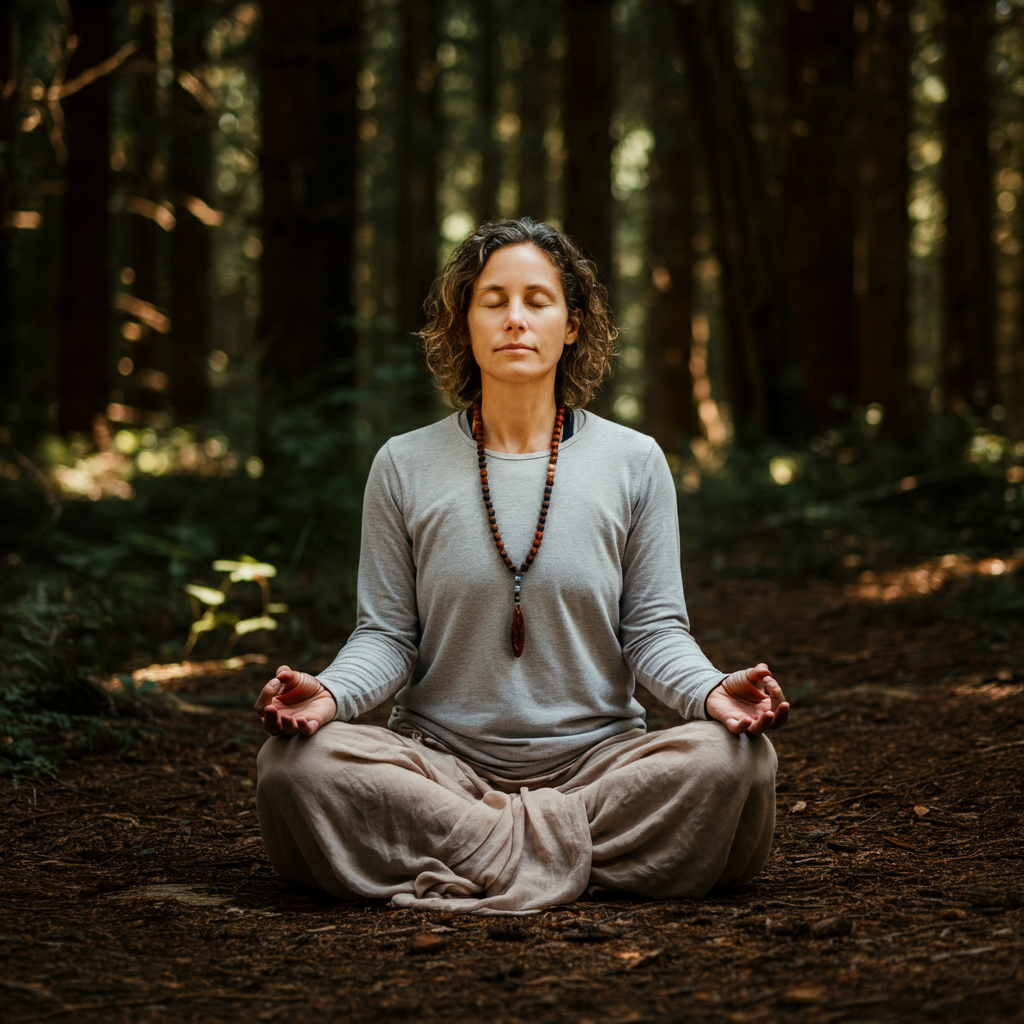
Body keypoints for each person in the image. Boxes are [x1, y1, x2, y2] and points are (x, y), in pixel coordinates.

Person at [254, 218, 789, 914]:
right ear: (463, 323)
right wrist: (329, 694)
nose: (515, 318)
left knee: (736, 761)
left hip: (598, 765)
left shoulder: (634, 462)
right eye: (492, 299)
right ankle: (567, 858)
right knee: (294, 768)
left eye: (538, 299)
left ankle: (475, 852)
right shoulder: (402, 464)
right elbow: (386, 635)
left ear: (572, 324)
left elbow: (653, 629)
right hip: (438, 766)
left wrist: (711, 690)